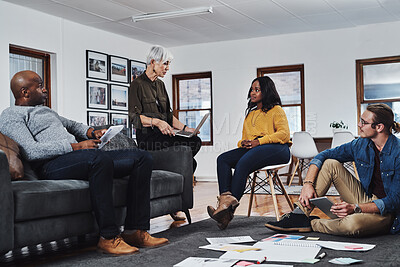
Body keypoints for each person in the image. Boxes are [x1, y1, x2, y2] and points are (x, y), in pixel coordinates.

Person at [0, 70, 169, 255]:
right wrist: (75, 147)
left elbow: (72, 125)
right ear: (25, 92)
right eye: (40, 86)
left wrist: (91, 132)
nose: (45, 89)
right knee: (98, 158)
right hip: (51, 165)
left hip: (77, 158)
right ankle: (109, 237)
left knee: (141, 158)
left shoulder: (46, 110)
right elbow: (31, 151)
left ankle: (135, 230)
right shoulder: (11, 115)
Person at [265, 103, 400, 237]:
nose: (359, 125)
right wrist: (307, 184)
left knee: (352, 225)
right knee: (330, 163)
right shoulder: (361, 144)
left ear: (379, 127)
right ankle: (299, 215)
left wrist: (355, 208)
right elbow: (323, 155)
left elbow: (394, 201)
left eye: (363, 122)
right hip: (366, 199)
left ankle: (311, 224)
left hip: (388, 213)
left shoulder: (398, 152)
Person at [207, 76, 291, 229]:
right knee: (223, 159)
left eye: (257, 90)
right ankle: (225, 204)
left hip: (278, 149)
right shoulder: (250, 114)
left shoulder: (276, 110)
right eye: (252, 89)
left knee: (244, 162)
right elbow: (244, 138)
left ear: (266, 92)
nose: (253, 93)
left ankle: (226, 209)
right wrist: (243, 143)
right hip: (256, 148)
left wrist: (259, 141)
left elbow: (284, 135)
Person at [129, 45, 202, 221]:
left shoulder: (161, 85)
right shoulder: (137, 85)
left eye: (169, 64)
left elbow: (169, 117)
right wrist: (156, 122)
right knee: (188, 161)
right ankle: (177, 200)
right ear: (153, 62)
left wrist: (186, 129)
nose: (168, 68)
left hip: (165, 136)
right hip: (149, 138)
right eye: (165, 64)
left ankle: (173, 170)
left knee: (195, 142)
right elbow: (134, 118)